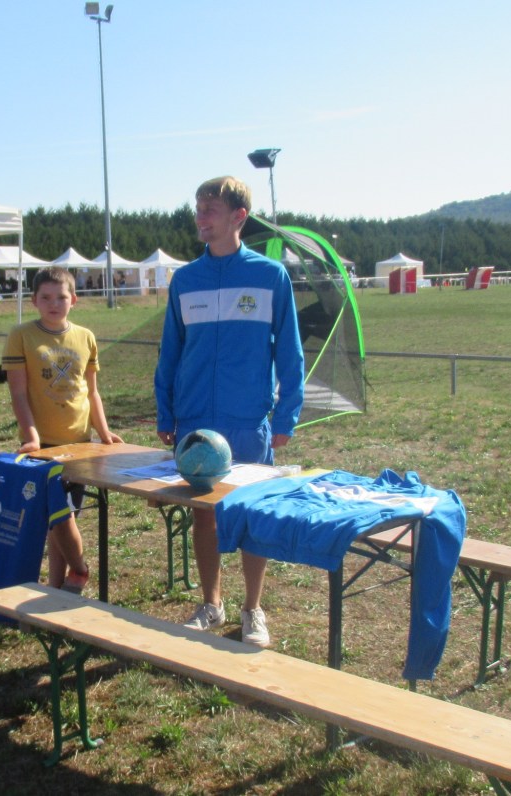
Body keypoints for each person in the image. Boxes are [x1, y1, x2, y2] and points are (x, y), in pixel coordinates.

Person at [154, 176, 305, 647]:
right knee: (204, 515)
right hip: (196, 422)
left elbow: (291, 353)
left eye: (210, 209)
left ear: (239, 216)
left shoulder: (270, 276)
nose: (200, 217)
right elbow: (170, 352)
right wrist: (165, 412)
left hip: (248, 422)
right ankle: (211, 604)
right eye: (198, 208)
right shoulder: (186, 280)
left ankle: (253, 609)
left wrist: (286, 416)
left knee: (251, 514)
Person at [2, 266, 123, 592]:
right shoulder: (21, 335)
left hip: (80, 445)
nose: (53, 304)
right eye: (46, 297)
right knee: (56, 519)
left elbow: (92, 391)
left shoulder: (86, 337)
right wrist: (31, 437)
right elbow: (18, 393)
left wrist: (104, 432)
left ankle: (56, 590)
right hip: (42, 448)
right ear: (34, 300)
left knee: (63, 520)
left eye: (61, 297)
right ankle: (79, 570)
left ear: (74, 300)